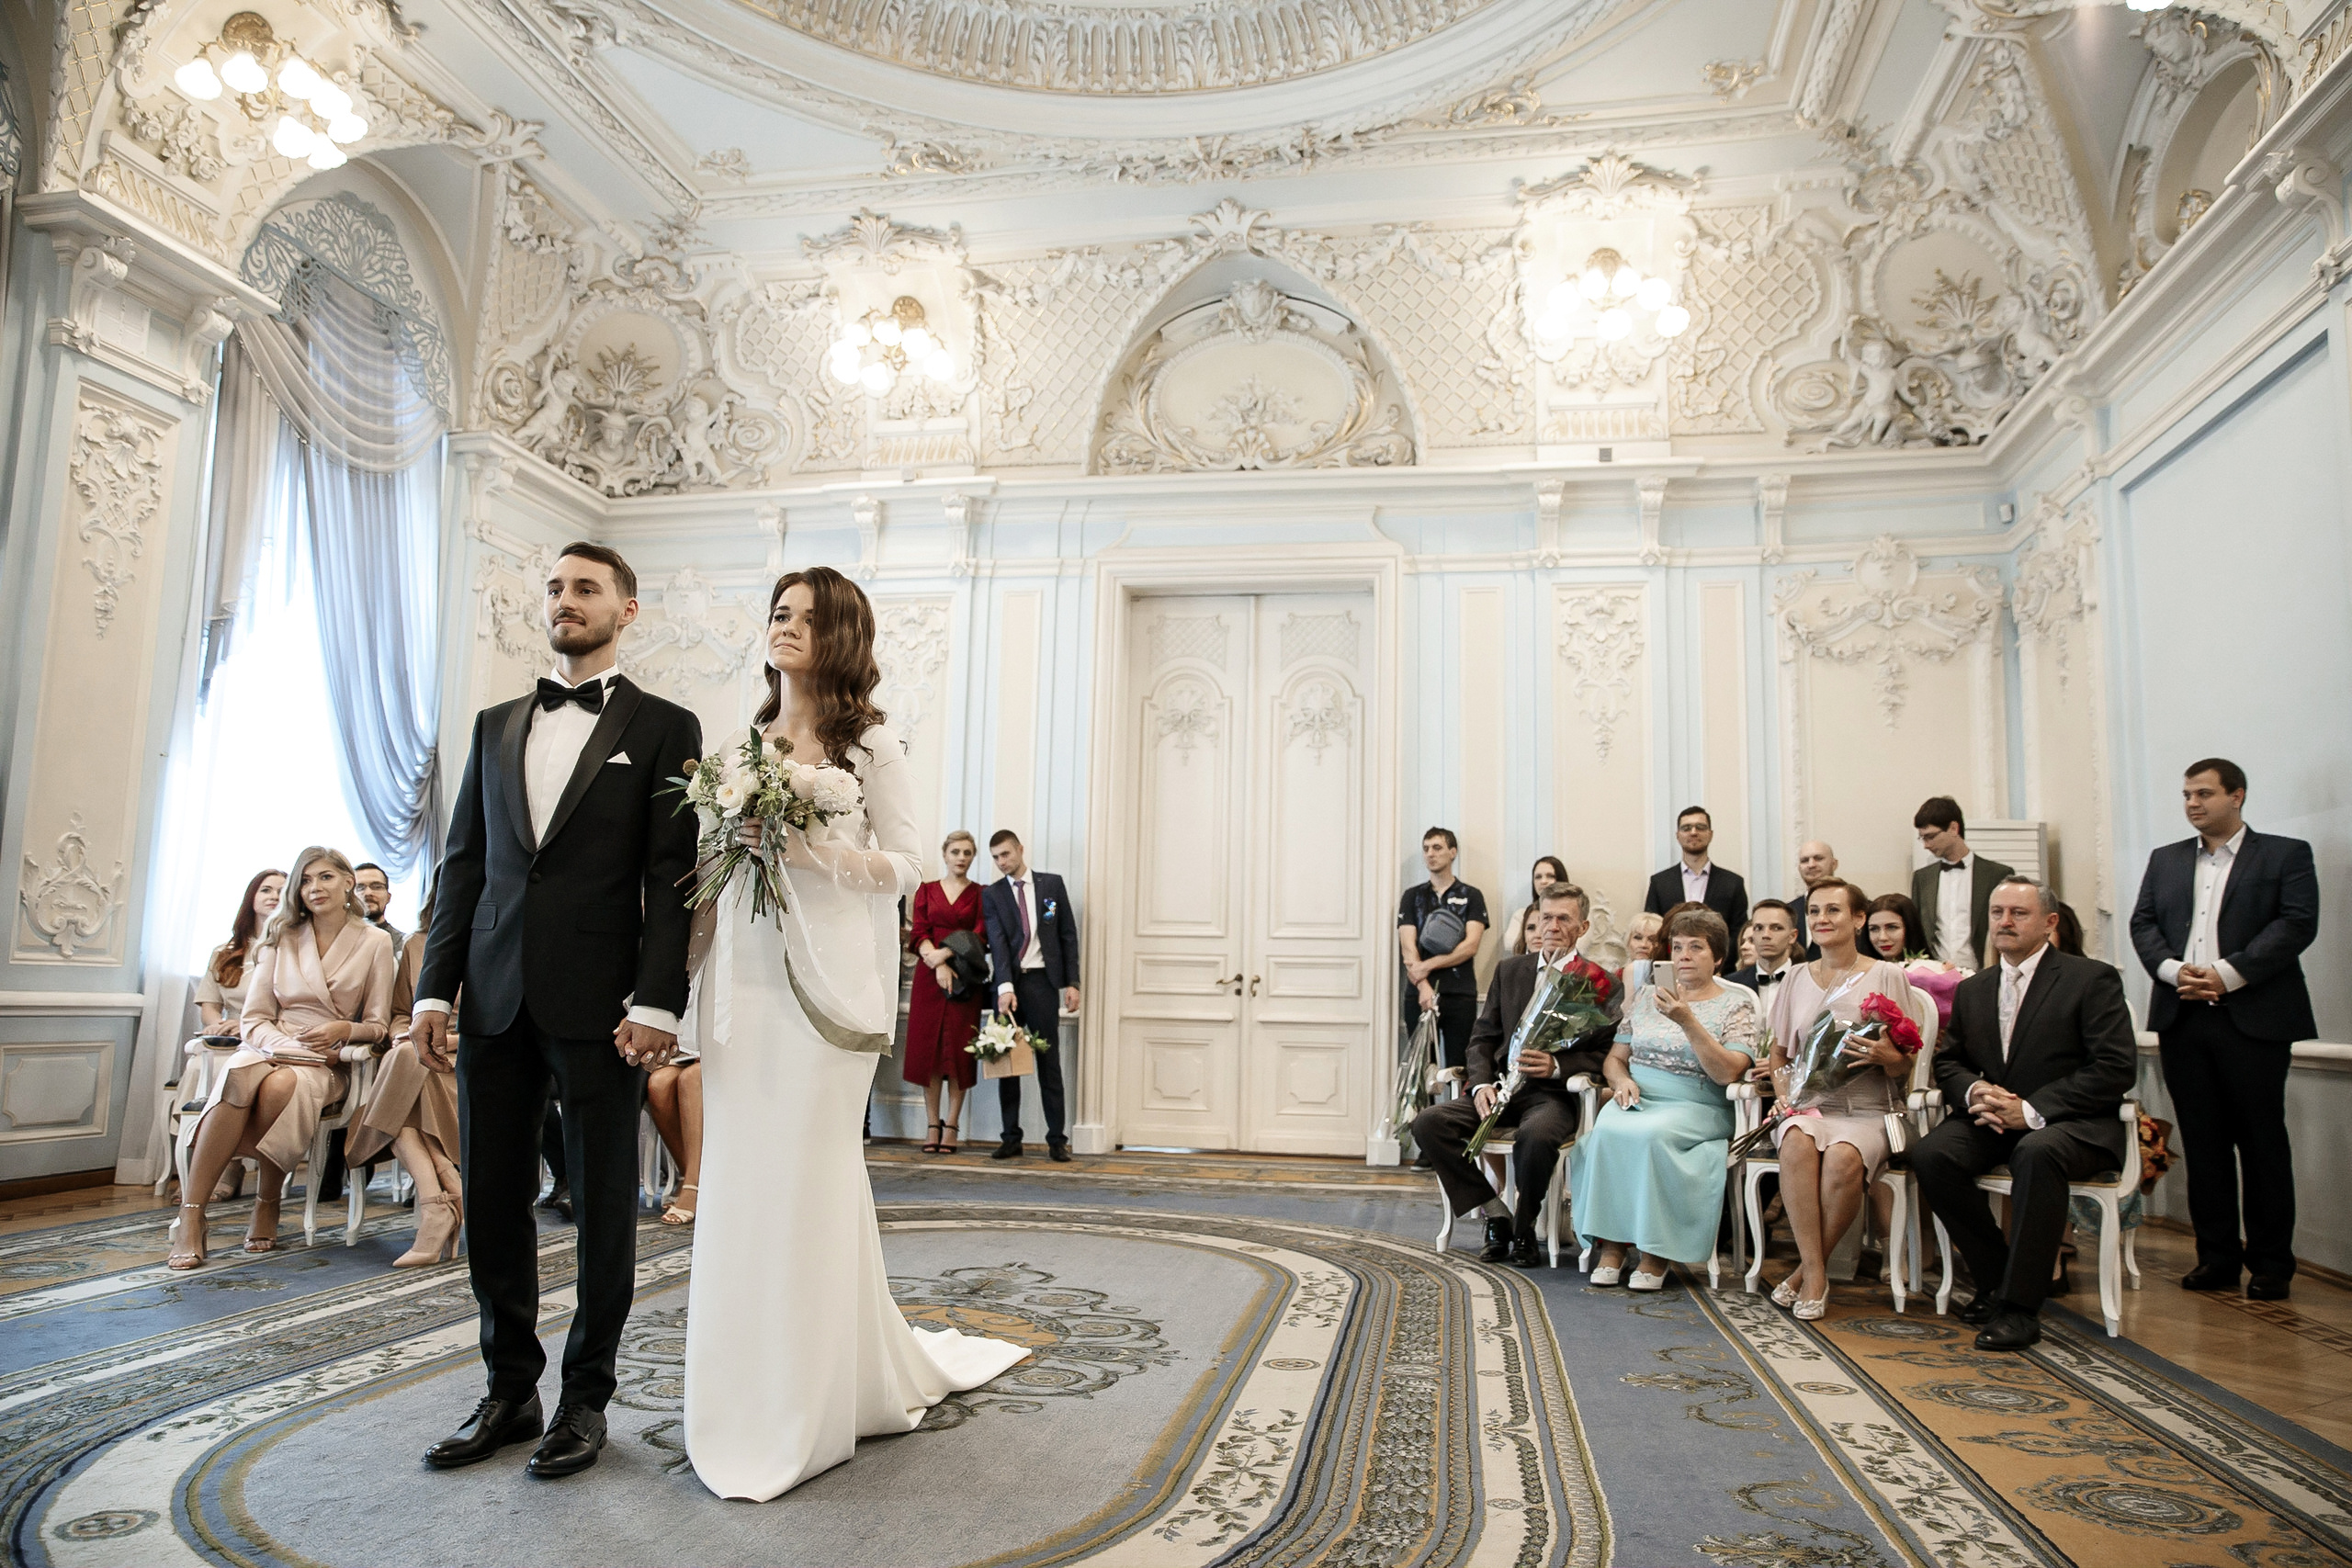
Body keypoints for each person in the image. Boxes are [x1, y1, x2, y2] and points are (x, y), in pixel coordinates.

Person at [681, 565, 1026, 1501]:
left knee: (809, 1174)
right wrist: (675, 986)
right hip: (741, 992)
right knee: (744, 1181)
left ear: (838, 634)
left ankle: (815, 1396)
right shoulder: (743, 743)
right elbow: (711, 873)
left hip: (824, 993)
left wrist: (808, 849)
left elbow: (907, 864)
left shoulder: (868, 740)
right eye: (776, 613)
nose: (783, 627)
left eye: (802, 616)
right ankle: (745, 1384)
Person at [410, 541, 704, 1479]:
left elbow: (674, 875)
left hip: (602, 1003)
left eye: (585, 589)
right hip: (491, 997)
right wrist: (432, 985)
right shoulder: (496, 724)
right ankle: (509, 1390)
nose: (565, 601)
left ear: (628, 609)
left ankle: (585, 1399)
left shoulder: (665, 725)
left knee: (604, 1201)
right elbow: (463, 865)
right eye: (555, 588)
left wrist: (659, 998)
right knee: (494, 1199)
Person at [1910, 877, 2138, 1350]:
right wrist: (1973, 1091)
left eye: (2018, 913)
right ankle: (1997, 1279)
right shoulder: (1975, 988)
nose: (2004, 922)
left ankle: (2019, 1309)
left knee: (2037, 1152)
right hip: (1993, 1119)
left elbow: (2115, 1068)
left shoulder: (2090, 979)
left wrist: (2032, 1110)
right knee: (1932, 1154)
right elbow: (1949, 1061)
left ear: (2050, 923)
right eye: (1997, 912)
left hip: (2073, 1123)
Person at [2129, 758, 2318, 1302]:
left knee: (2261, 1143)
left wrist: (2228, 975)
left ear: (2237, 796)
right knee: (2205, 1145)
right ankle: (2216, 1258)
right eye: (2187, 794)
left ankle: (2271, 1264)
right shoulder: (2165, 860)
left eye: (2204, 794)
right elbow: (2144, 923)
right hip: (2183, 1014)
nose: (2192, 803)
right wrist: (2172, 971)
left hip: (2254, 1018)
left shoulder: (2284, 854)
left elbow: (2297, 923)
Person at [167, 846, 396, 1269]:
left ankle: (267, 1200)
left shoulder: (375, 942)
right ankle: (192, 1216)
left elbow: (379, 1026)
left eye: (325, 877)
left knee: (281, 1085)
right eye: (305, 880)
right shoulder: (282, 934)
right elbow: (254, 1018)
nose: (314, 888)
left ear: (348, 882)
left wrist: (345, 1029)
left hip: (330, 1061)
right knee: (241, 1077)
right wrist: (285, 1047)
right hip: (270, 1045)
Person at [1411, 886, 1618, 1267]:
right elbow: (1482, 1037)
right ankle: (1496, 1213)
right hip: (1501, 1090)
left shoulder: (1599, 982)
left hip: (1552, 1095)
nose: (1551, 925)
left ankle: (1525, 1227)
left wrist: (1558, 1067)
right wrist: (1482, 1083)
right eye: (1545, 916)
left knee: (1536, 1136)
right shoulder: (1510, 970)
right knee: (1429, 1123)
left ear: (1583, 926)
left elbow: (1605, 1055)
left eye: (1563, 918)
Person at [1569, 908, 1765, 1289]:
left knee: (1652, 1136)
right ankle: (1611, 1246)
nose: (1684, 956)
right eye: (1677, 948)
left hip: (1699, 1105)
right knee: (1604, 1132)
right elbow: (1614, 1058)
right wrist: (1621, 1079)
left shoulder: (1735, 1004)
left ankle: (1656, 1252)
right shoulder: (1647, 997)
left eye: (1696, 948)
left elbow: (1728, 1072)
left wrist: (1687, 1020)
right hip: (1640, 1097)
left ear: (1719, 958)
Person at [1758, 880, 1923, 1319]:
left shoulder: (1887, 975)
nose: (1822, 920)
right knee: (1794, 1141)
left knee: (1843, 1159)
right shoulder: (1794, 976)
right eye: (1814, 912)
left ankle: (1805, 1273)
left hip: (1870, 1111)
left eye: (1833, 911)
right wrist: (1783, 1096)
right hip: (1809, 1107)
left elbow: (1906, 1066)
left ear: (1858, 919)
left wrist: (1890, 1056)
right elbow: (1778, 1054)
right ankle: (1815, 1275)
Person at [348, 881, 464, 1266]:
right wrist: (406, 1033)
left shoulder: (506, 939)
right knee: (406, 1060)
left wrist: (449, 1041)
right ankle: (442, 1189)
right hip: (419, 1055)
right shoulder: (418, 942)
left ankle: (440, 1200)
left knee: (403, 1066)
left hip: (468, 1064)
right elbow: (401, 1011)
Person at [187, 867, 287, 1201]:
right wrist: (216, 1024)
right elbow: (209, 1004)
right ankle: (207, 1162)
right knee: (199, 1066)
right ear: (252, 899)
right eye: (266, 890)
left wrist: (245, 1025)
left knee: (233, 1072)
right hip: (227, 1038)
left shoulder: (289, 949)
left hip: (267, 1038)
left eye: (280, 891)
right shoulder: (225, 952)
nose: (273, 896)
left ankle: (231, 1162)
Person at [983, 829, 1080, 1161]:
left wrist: (1073, 983)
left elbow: (1067, 935)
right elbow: (996, 943)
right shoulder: (992, 894)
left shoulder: (1051, 886)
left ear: (1020, 850)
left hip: (1042, 983)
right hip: (1009, 986)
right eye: (995, 857)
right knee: (1007, 1062)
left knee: (1048, 1063)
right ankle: (1011, 1138)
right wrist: (1005, 988)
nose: (1001, 862)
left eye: (1006, 855)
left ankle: (1057, 1140)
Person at [906, 829, 985, 1154]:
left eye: (967, 852)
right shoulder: (926, 890)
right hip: (929, 979)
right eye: (956, 852)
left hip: (965, 978)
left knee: (959, 1054)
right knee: (931, 1053)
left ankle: (952, 1124)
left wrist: (946, 955)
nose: (961, 858)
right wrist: (934, 961)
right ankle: (932, 1123)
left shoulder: (981, 893)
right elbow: (919, 930)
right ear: (945, 854)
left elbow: (980, 933)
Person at [1398, 828, 1489, 1072]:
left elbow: (1470, 946)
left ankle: (1454, 1111)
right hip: (1418, 994)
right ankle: (1421, 1112)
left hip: (1459, 993)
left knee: (1459, 1067)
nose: (1430, 854)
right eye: (1426, 848)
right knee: (1421, 1069)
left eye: (1437, 848)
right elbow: (1407, 946)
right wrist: (1423, 985)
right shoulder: (1412, 896)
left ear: (1452, 852)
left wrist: (1425, 967)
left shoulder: (1472, 895)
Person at [1909, 797, 2013, 972]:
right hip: (1936, 976)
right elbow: (1918, 931)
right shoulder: (1922, 878)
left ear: (1953, 828)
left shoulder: (1997, 874)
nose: (1926, 845)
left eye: (1931, 837)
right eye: (1922, 838)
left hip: (1983, 972)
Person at [1644, 807, 1747, 972]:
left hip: (1721, 973)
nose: (1693, 832)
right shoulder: (1660, 882)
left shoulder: (1733, 883)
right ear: (1678, 835)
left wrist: (1718, 965)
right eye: (1686, 828)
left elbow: (1738, 932)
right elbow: (1654, 929)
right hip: (1673, 971)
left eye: (1700, 827)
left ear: (1710, 834)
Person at [1865, 892, 1960, 1027]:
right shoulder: (1860, 974)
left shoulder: (1937, 970)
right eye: (1874, 929)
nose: (1882, 937)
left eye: (1892, 927)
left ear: (1910, 928)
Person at [644, 1057, 702, 1224]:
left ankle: (693, 1186)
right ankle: (687, 1174)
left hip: (727, 1053)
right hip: (687, 1051)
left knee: (691, 1078)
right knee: (659, 1084)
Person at [1500, 856, 1571, 959]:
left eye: (1550, 876)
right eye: (1538, 877)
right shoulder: (1522, 914)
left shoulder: (1573, 915)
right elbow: (1509, 943)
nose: (1543, 881)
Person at [1728, 899, 1801, 994]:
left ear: (1792, 936)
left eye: (1776, 928)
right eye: (1759, 928)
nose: (1765, 935)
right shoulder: (1732, 985)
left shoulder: (1809, 981)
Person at [1792, 840, 1840, 957]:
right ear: (1799, 868)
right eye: (1805, 861)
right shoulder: (1788, 911)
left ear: (1834, 864)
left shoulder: (1861, 906)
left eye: (1818, 858)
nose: (1811, 865)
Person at [355, 862, 404, 946]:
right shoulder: (336, 940)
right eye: (360, 887)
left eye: (377, 887)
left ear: (388, 897)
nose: (368, 893)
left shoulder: (404, 943)